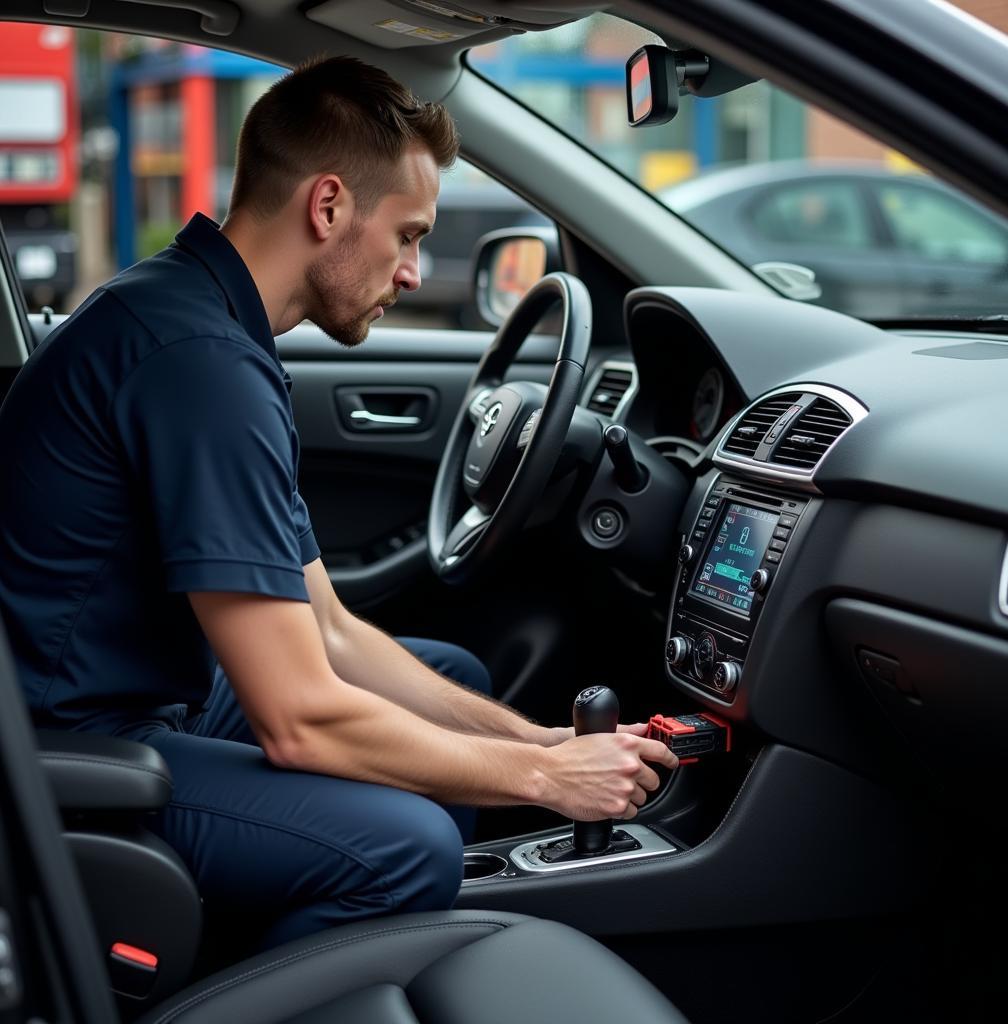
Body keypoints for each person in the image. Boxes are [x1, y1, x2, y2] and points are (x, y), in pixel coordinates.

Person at [0, 56, 677, 950]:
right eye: (407, 235)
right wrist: (543, 784)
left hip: (127, 693)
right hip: (64, 749)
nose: (412, 272)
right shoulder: (201, 365)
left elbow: (328, 629)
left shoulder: (200, 320)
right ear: (328, 208)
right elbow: (300, 719)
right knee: (409, 849)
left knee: (455, 683)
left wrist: (544, 744)